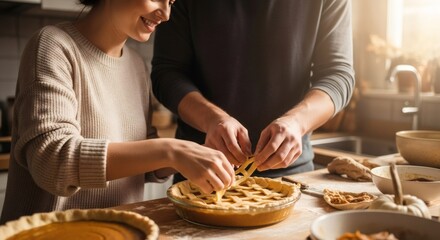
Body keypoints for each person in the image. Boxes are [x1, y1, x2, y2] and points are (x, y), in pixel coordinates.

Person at [0, 0, 235, 224]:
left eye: (171, 2)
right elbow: (52, 160)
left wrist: (193, 155)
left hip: (120, 231)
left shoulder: (136, 66)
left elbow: (141, 156)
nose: (165, 14)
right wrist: (171, 151)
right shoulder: (53, 45)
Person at [151, 0, 355, 182]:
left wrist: (297, 122)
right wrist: (212, 119)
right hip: (202, 170)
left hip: (292, 174)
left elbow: (338, 75)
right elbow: (167, 73)